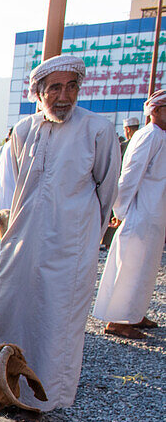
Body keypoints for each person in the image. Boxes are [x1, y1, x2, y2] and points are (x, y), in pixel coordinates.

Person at [0, 55, 119, 422]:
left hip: (69, 247)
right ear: (38, 92)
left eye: (71, 86)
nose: (64, 96)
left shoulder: (97, 130)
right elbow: (8, 192)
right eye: (55, 87)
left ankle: (38, 401)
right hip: (22, 241)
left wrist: (87, 236)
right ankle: (1, 390)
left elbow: (107, 192)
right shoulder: (24, 131)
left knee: (54, 323)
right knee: (11, 310)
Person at [92, 90, 166, 339]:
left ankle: (134, 314)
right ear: (155, 110)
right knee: (130, 267)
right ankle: (117, 320)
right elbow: (129, 176)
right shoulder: (148, 136)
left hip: (155, 214)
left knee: (146, 267)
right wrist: (120, 211)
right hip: (139, 213)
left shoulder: (161, 136)